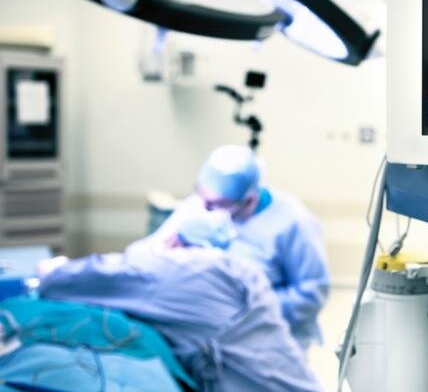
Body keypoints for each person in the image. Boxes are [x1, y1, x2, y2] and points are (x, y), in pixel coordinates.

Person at [38, 211, 324, 392]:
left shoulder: (175, 269)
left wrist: (54, 269)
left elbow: (76, 278)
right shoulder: (243, 270)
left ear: (174, 241)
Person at [133, 145, 330, 349]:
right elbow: (147, 252)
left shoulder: (294, 223)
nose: (206, 209)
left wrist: (247, 309)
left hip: (268, 336)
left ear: (249, 201)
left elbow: (311, 293)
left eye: (216, 204)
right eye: (202, 197)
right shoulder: (199, 204)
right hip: (203, 330)